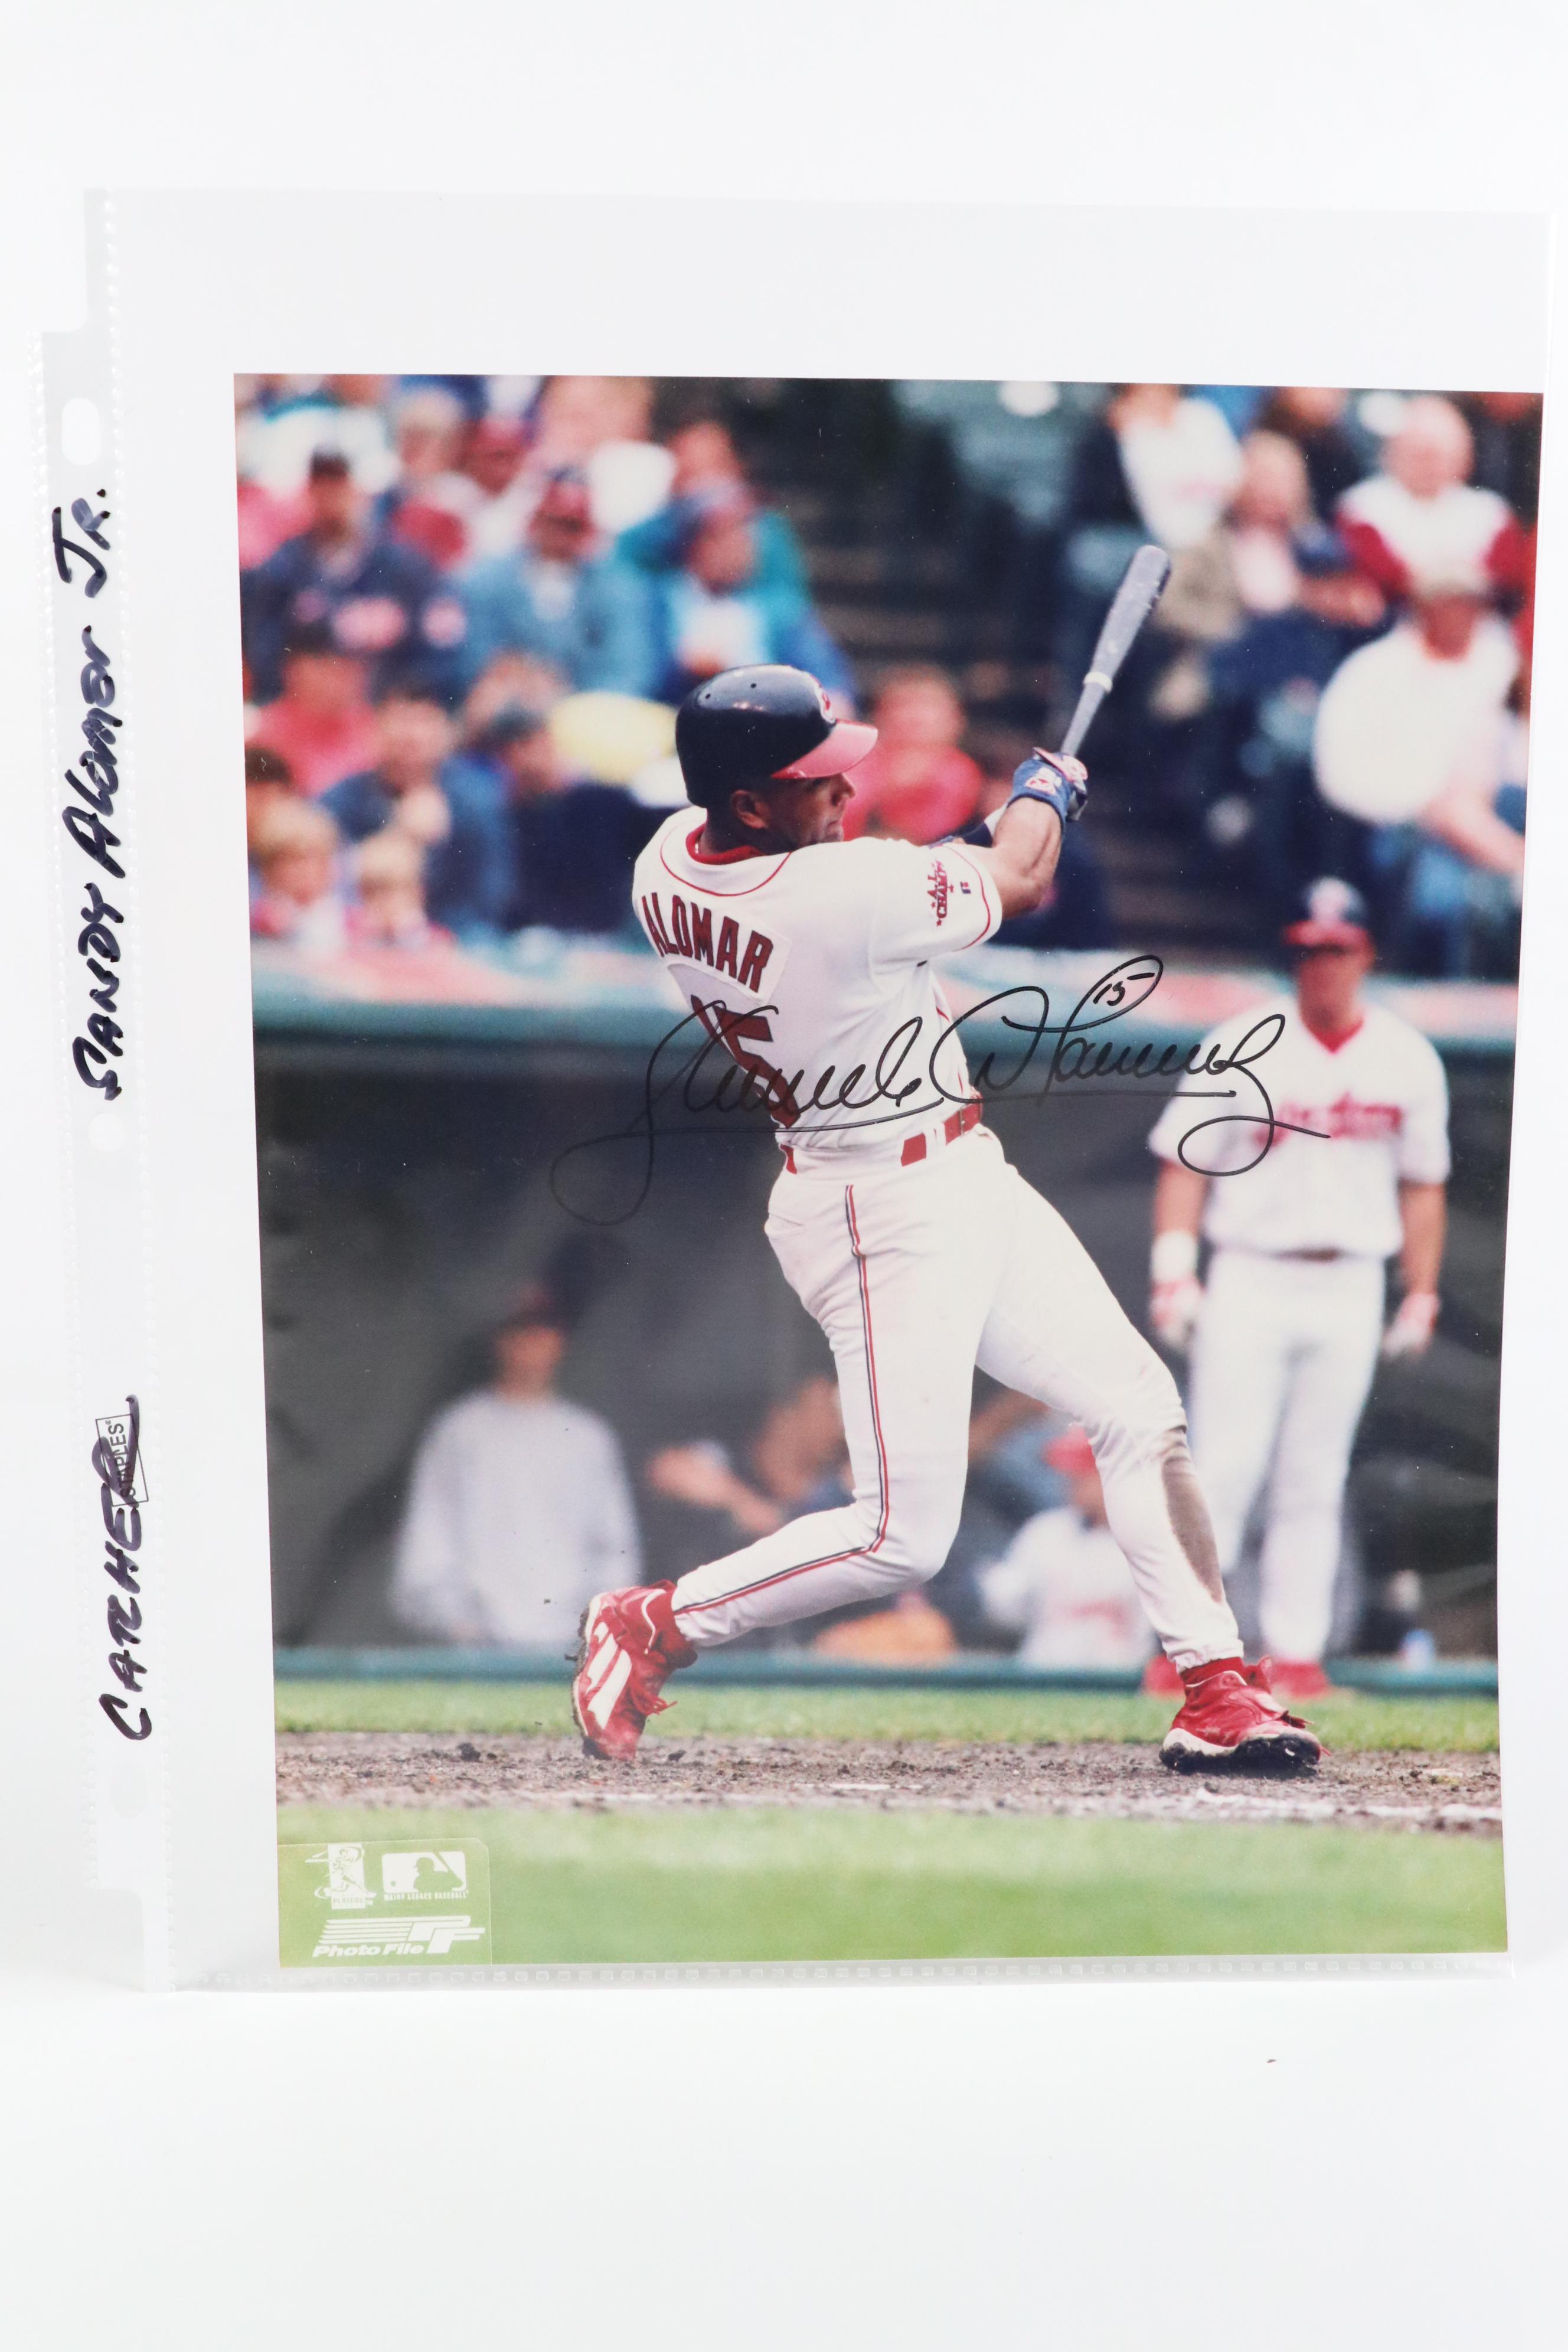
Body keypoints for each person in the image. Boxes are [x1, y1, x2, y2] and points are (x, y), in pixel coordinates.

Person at [568, 661, 1320, 1771]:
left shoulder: (666, 861)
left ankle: (1215, 1686)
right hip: (878, 1204)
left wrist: (1006, 811)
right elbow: (1016, 874)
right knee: (897, 1535)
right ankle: (656, 1620)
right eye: (814, 779)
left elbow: (926, 871)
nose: (843, 790)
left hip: (956, 1172)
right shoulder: (835, 894)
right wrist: (1045, 793)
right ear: (749, 803)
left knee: (1134, 1403)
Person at [1146, 878, 1450, 1696]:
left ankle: (1297, 1655)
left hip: (1349, 1279)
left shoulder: (1405, 1054)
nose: (1322, 966)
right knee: (1225, 1472)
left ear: (1366, 954)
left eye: (1337, 950)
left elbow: (1425, 1182)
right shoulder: (1243, 1040)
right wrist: (1175, 1270)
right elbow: (1185, 1160)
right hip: (1251, 1270)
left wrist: (1419, 1291)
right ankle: (1186, 1655)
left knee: (1315, 1476)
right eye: (1309, 951)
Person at [391, 1288, 641, 1646]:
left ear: (561, 1340)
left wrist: (591, 1628)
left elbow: (616, 1551)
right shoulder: (460, 1429)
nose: (532, 1344)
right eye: (520, 1331)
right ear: (499, 1340)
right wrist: (457, 1622)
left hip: (570, 1646)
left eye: (543, 1330)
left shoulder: (589, 1437)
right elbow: (428, 1542)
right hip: (475, 1648)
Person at [241, 450, 468, 704]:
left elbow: (441, 644)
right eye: (321, 487)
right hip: (310, 713)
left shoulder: (405, 566)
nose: (331, 499)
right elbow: (264, 655)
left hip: (387, 713)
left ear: (363, 493)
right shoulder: (284, 567)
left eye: (340, 486)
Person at [449, 706, 661, 936]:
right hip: (531, 940)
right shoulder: (503, 816)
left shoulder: (605, 801)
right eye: (517, 749)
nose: (531, 757)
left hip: (605, 940)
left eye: (538, 743)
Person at [322, 691, 512, 938]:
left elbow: (490, 897)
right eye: (400, 720)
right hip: (358, 933)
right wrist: (399, 834)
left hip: (451, 937)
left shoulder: (476, 801)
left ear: (447, 732)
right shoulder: (342, 798)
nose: (411, 735)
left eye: (424, 721)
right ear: (376, 727)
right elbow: (322, 884)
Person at [645, 489, 855, 706]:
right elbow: (639, 679)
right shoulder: (657, 601)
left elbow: (828, 678)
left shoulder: (779, 608)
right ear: (693, 545)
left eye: (744, 534)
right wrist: (685, 672)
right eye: (723, 536)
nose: (739, 547)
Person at [457, 468, 656, 695]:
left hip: (584, 707)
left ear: (590, 527)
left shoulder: (618, 587)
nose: (561, 534)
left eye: (572, 525)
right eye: (553, 521)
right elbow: (473, 655)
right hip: (507, 703)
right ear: (535, 517)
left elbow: (628, 667)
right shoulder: (487, 578)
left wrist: (572, 702)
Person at [978, 1425, 1153, 1671]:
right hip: (1045, 1677)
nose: (1072, 1484)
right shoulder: (1047, 1532)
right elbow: (1006, 1610)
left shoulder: (1152, 1541)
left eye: (1084, 1475)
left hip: (1123, 1680)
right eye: (1072, 1475)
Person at [1335, 396, 1532, 606]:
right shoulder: (1363, 506)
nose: (1430, 466)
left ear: (1464, 458)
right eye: (1419, 454)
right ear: (1392, 453)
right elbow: (1379, 574)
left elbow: (1507, 574)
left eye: (1441, 455)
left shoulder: (1490, 511)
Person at [840, 668, 988, 844]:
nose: (915, 718)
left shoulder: (960, 771)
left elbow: (934, 827)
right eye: (904, 705)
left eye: (928, 706)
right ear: (880, 715)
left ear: (955, 720)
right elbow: (845, 821)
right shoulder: (859, 763)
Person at [246, 620, 378, 798]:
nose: (344, 677)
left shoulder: (373, 730)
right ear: (293, 669)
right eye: (328, 664)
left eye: (352, 665)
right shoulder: (262, 734)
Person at [248, 798, 348, 949]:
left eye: (314, 858)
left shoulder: (345, 919)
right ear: (269, 869)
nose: (305, 871)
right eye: (292, 860)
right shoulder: (259, 919)